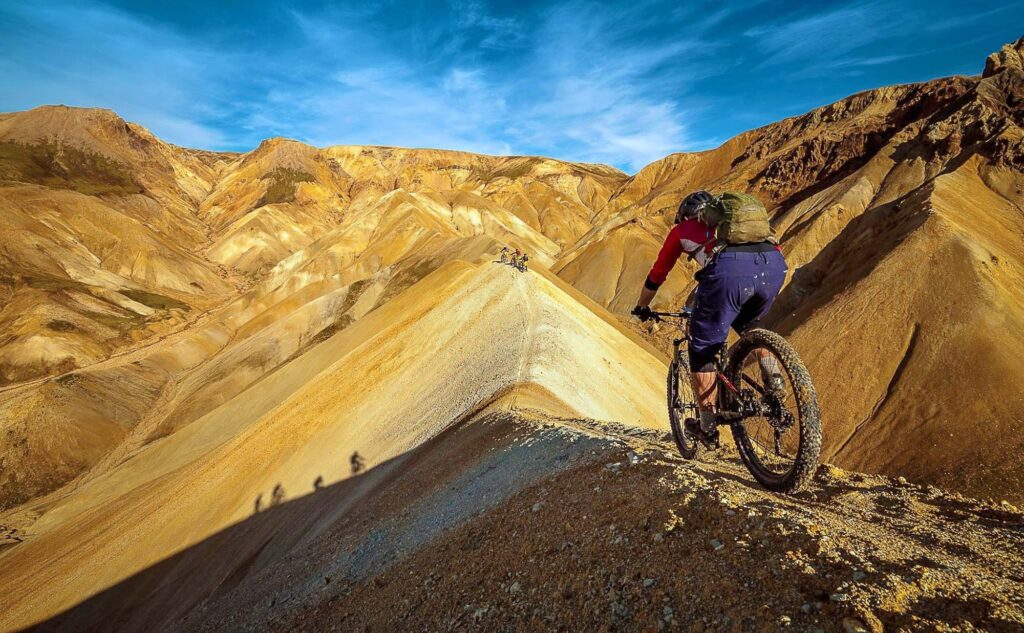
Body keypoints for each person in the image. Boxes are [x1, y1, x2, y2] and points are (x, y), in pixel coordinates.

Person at [631, 190, 788, 442]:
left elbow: (658, 274)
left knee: (702, 348)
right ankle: (774, 378)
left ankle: (706, 426)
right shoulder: (740, 225)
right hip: (774, 267)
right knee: (751, 325)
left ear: (686, 215)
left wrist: (642, 306)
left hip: (729, 273)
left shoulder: (683, 230)